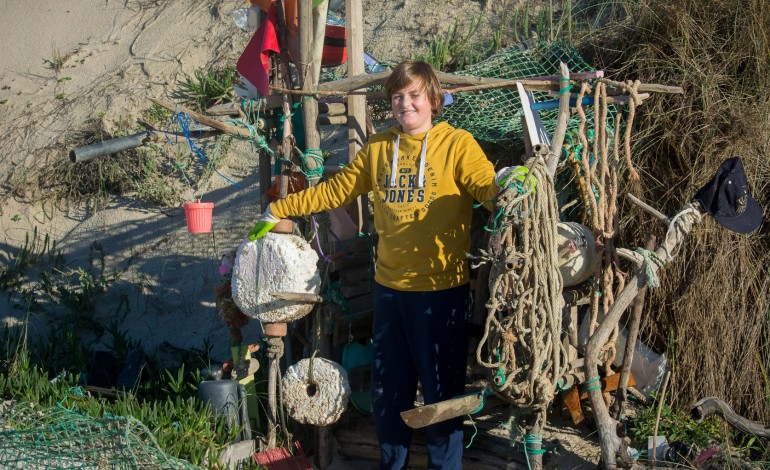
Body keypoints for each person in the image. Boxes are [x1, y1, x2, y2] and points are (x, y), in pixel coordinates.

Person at [249, 60, 519, 469]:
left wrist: (513, 184)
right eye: (397, 96)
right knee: (388, 393)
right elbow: (338, 189)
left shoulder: (457, 144)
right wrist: (281, 208)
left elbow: (487, 187)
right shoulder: (379, 148)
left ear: (432, 99)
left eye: (413, 95)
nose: (405, 104)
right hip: (390, 292)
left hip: (440, 293)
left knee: (442, 396)